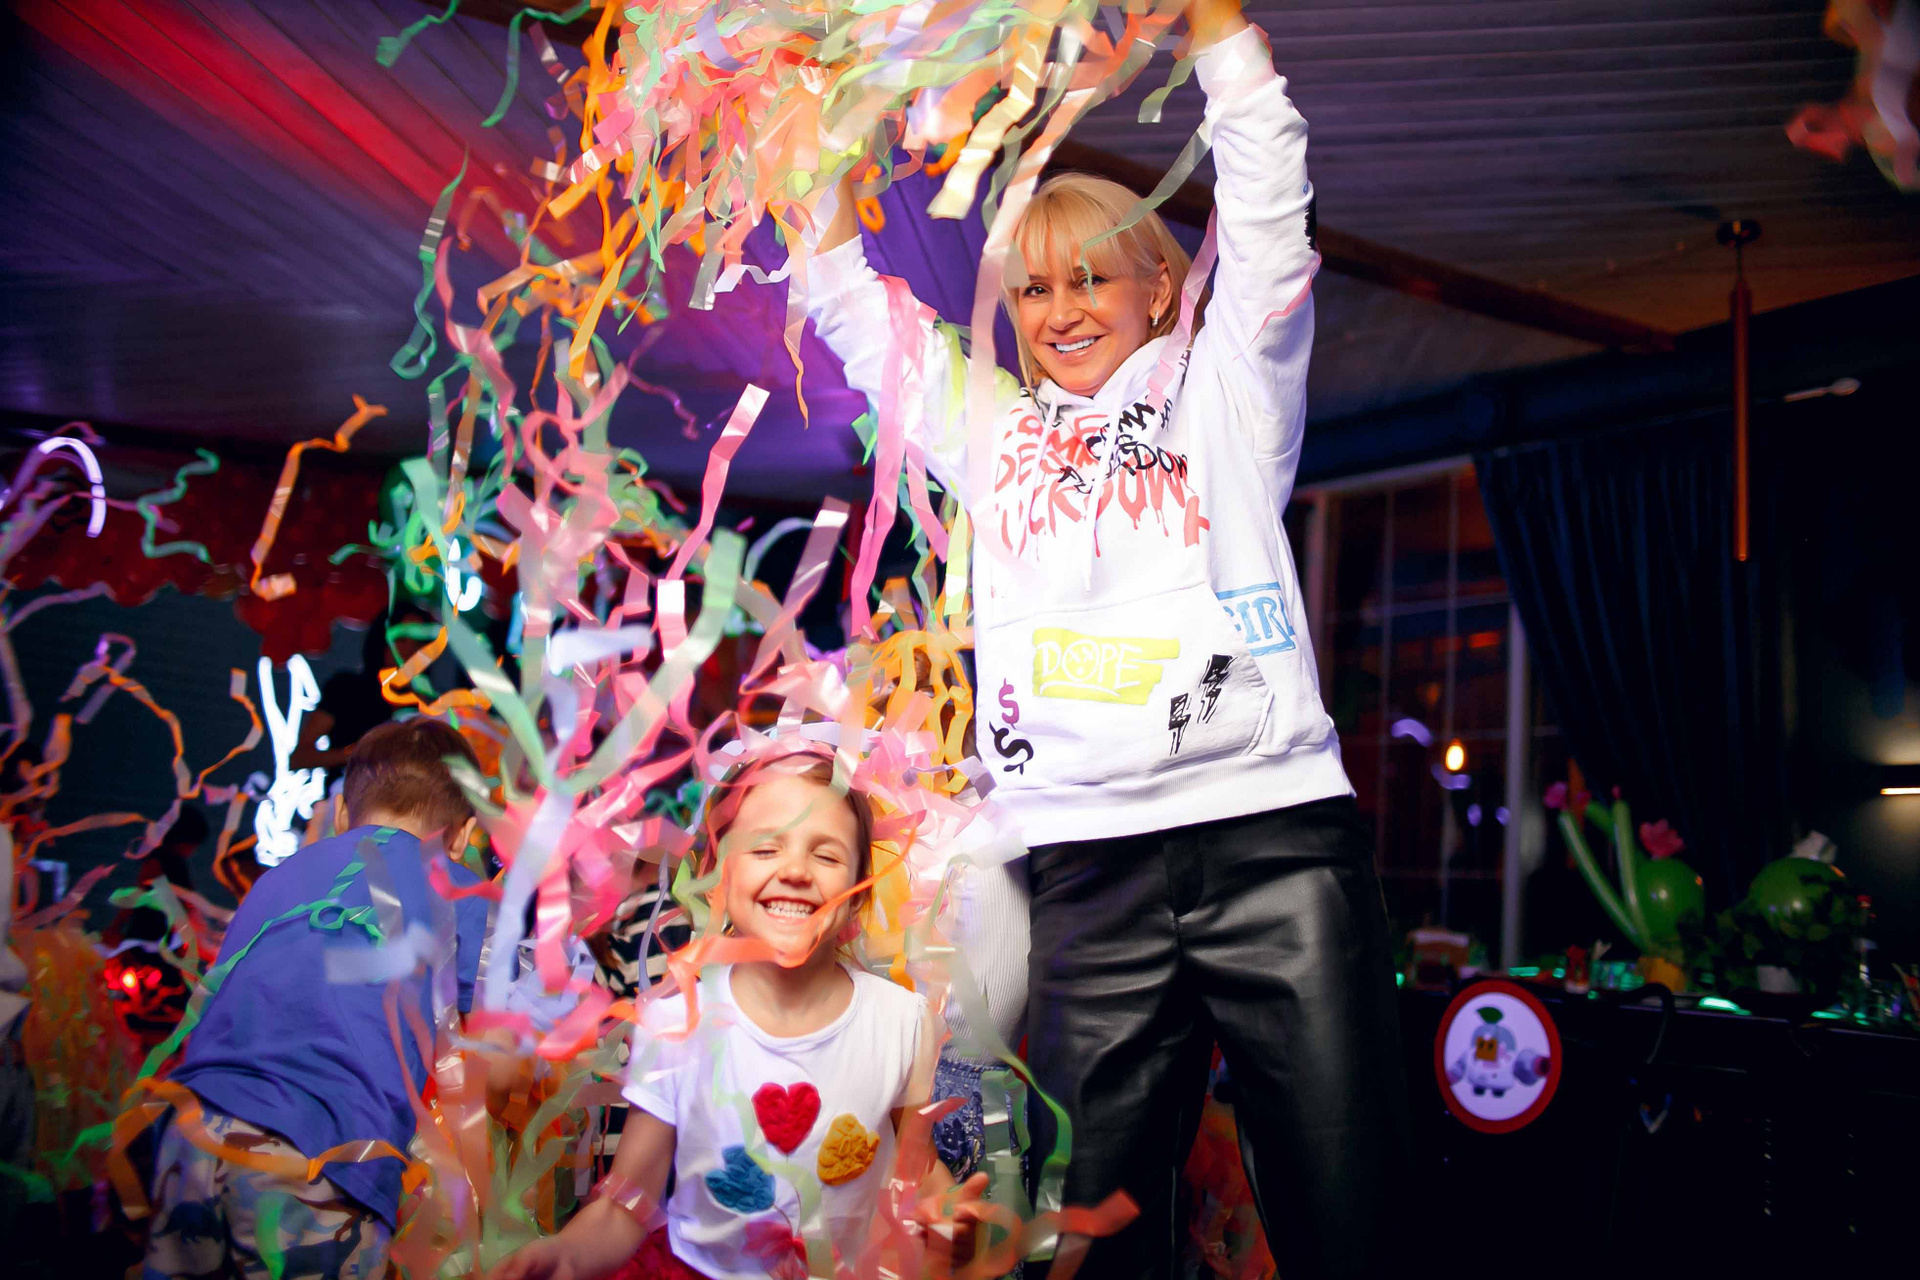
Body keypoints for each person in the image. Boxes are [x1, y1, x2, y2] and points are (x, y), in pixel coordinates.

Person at [801, 2, 1412, 1276]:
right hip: (1087, 869)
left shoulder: (1228, 388)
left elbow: (1268, 206)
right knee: (1078, 1238)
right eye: (1033, 287)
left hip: (1274, 842)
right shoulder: (991, 430)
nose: (1059, 308)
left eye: (1090, 277)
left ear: (1161, 289)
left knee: (1349, 1212)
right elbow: (855, 314)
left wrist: (1220, 32)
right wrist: (810, 161)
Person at [492, 748, 980, 1280]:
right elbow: (622, 1208)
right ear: (718, 874)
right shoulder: (675, 1025)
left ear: (860, 890)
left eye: (826, 856)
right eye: (765, 848)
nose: (794, 870)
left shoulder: (903, 1024)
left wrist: (946, 1218)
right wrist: (564, 1255)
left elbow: (918, 1169)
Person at [141, 719, 492, 1280]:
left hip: (192, 1131)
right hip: (316, 1153)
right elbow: (508, 1049)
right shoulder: (462, 895)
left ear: (343, 814)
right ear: (463, 835)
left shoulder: (277, 879)